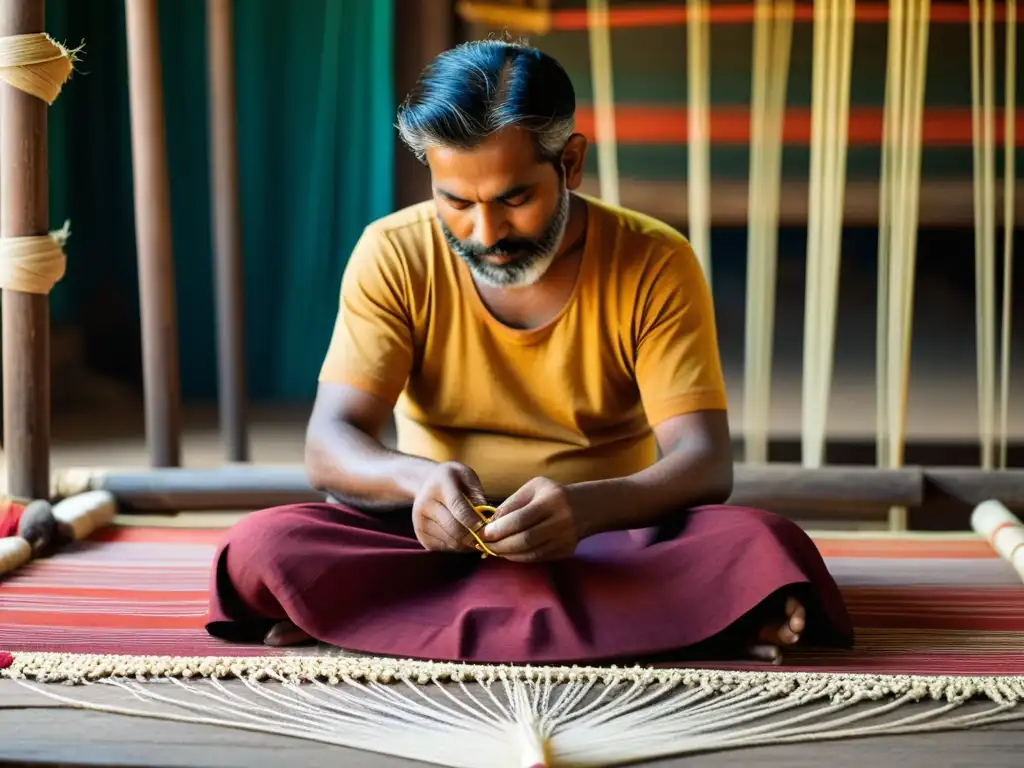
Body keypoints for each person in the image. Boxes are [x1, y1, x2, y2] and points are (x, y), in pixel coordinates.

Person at [205, 38, 853, 664]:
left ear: (570, 163)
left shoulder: (655, 260)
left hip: (609, 541)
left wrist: (589, 507)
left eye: (514, 198)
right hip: (430, 537)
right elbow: (330, 443)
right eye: (455, 201)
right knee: (264, 545)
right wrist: (419, 481)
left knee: (763, 546)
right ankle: (688, 626)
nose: (485, 233)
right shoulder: (393, 251)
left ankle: (359, 619)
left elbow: (704, 463)